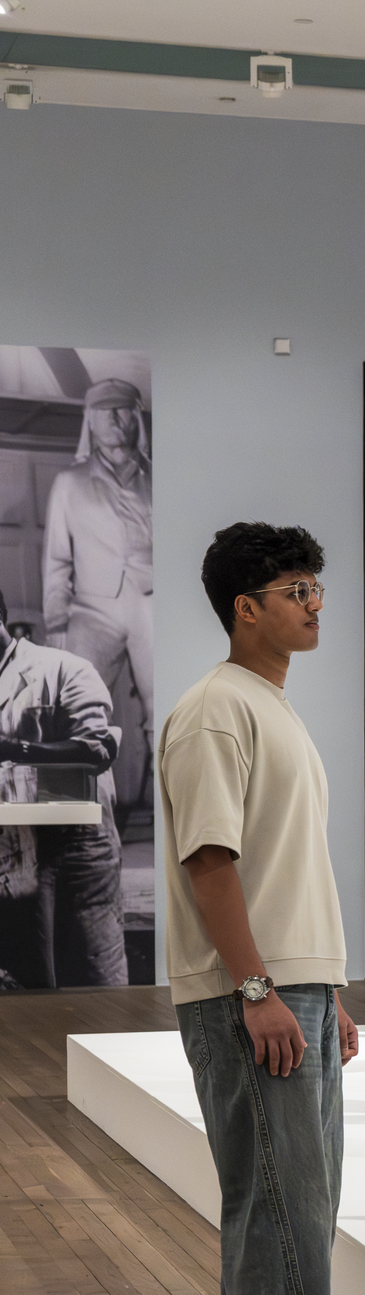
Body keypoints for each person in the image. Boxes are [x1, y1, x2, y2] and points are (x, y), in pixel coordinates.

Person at [159, 522, 365, 1295]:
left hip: (293, 992)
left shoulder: (268, 705)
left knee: (286, 1207)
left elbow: (285, 868)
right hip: (251, 997)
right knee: (282, 1210)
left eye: (316, 588)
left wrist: (324, 992)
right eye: (297, 589)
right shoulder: (217, 711)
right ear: (246, 607)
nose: (316, 604)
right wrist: (257, 990)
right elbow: (211, 862)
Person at [0, 590, 126, 988]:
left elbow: (96, 748)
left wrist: (14, 749)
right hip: (11, 854)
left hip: (77, 847)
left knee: (92, 981)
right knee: (27, 986)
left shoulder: (62, 668)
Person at [45, 377, 155, 820]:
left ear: (137, 418)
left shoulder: (157, 479)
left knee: (165, 707)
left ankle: (169, 812)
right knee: (77, 708)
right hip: (91, 610)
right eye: (104, 410)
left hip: (152, 603)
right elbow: (56, 557)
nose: (115, 419)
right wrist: (56, 624)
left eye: (124, 409)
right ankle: (73, 815)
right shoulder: (69, 483)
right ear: (89, 419)